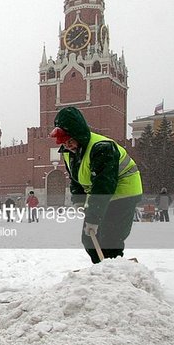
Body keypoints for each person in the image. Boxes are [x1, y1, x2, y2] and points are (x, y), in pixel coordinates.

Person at [51, 106, 143, 264]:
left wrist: (93, 217)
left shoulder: (102, 148)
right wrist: (79, 199)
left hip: (124, 193)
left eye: (70, 141)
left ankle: (115, 275)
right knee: (89, 239)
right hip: (101, 195)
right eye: (64, 143)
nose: (68, 145)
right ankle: (102, 270)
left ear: (78, 133)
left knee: (110, 239)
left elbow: (104, 185)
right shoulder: (69, 153)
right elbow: (75, 179)